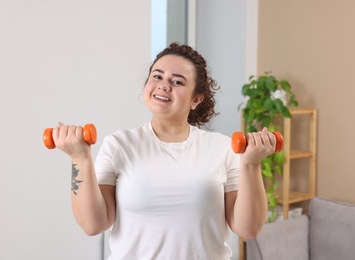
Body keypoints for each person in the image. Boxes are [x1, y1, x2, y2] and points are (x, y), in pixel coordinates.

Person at [52, 42, 275, 260]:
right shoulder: (119, 144)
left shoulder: (221, 148)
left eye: (177, 81)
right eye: (157, 76)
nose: (164, 85)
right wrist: (79, 158)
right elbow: (93, 224)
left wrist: (251, 164)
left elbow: (249, 229)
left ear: (196, 99)